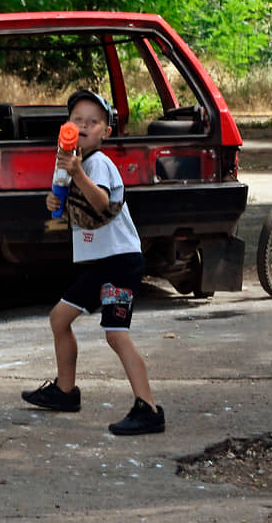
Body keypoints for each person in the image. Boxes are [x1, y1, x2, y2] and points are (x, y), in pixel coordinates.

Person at [21, 90, 164, 435]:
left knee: (116, 334)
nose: (84, 126)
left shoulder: (97, 164)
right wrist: (56, 199)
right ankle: (65, 392)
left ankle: (149, 409)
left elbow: (100, 203)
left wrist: (77, 176)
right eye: (77, 120)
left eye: (93, 121)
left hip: (120, 262)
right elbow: (79, 212)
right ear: (66, 127)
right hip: (102, 264)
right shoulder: (76, 165)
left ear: (106, 132)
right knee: (59, 319)